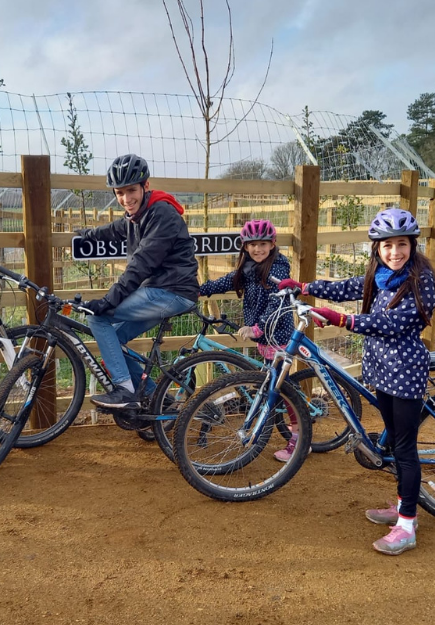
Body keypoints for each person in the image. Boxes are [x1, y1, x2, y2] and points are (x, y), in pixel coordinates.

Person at [279, 207, 435, 556]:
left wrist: (344, 320)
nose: (394, 252)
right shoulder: (380, 273)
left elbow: (395, 323)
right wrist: (306, 286)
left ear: (413, 245)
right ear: (376, 250)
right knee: (394, 441)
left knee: (405, 450)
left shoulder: (422, 279)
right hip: (382, 368)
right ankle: (401, 505)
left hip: (406, 371)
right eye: (387, 246)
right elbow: (347, 287)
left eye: (402, 245)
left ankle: (408, 525)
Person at [75, 154, 199, 410]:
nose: (125, 199)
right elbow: (115, 228)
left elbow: (141, 263)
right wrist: (88, 235)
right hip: (160, 293)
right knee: (112, 342)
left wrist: (108, 301)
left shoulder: (161, 213)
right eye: (119, 193)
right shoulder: (138, 214)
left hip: (171, 292)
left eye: (131, 190)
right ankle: (157, 401)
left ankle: (125, 390)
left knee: (98, 318)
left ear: (146, 185)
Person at [198, 219, 298, 461]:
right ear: (245, 247)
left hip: (279, 335)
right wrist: (202, 289)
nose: (258, 249)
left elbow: (278, 300)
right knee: (273, 385)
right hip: (265, 338)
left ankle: (298, 438)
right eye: (252, 245)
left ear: (273, 244)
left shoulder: (278, 268)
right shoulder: (249, 267)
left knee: (282, 390)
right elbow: (228, 281)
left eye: (263, 244)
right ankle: (291, 427)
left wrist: (258, 328)